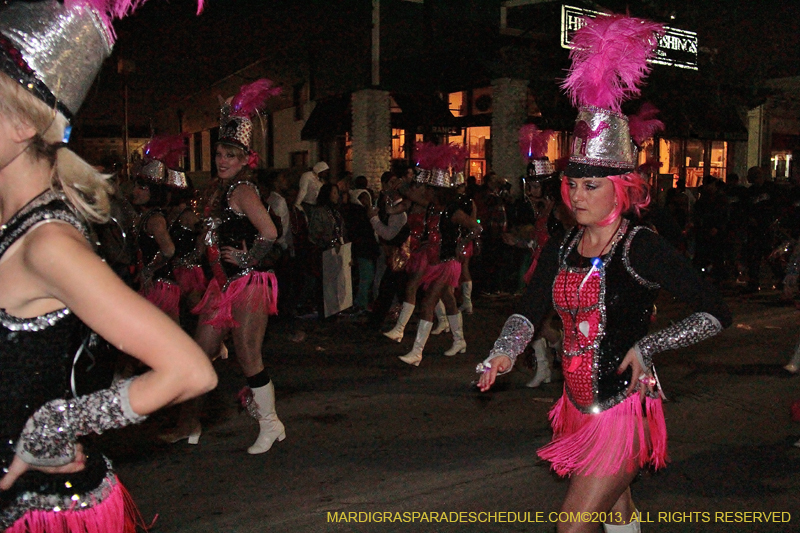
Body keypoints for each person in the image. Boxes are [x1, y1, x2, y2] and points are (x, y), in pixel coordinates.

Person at [477, 15, 731, 533]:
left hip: (622, 410)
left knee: (572, 527)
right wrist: (504, 351)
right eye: (572, 186)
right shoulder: (563, 243)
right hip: (575, 405)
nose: (576, 196)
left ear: (622, 188)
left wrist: (651, 346)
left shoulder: (642, 247)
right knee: (619, 513)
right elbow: (529, 307)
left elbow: (716, 312)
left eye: (591, 187)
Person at [0, 1, 216, 530]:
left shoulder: (48, 244)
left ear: (25, 122)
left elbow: (188, 370)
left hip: (43, 509)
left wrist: (54, 427)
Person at [164, 79, 283, 455]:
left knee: (248, 355)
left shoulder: (243, 190)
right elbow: (209, 237)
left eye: (231, 155)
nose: (222, 160)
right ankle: (189, 424)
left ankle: (270, 423)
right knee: (200, 355)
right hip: (222, 284)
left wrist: (247, 259)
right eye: (219, 153)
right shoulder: (218, 191)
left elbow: (270, 231)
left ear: (246, 158)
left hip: (248, 283)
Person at [398, 142, 481, 366]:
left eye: (431, 190)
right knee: (448, 301)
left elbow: (476, 227)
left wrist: (461, 244)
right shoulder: (435, 207)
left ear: (439, 192)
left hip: (449, 262)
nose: (427, 192)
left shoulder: (453, 211)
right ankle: (459, 340)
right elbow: (413, 198)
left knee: (428, 302)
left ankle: (417, 352)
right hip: (439, 259)